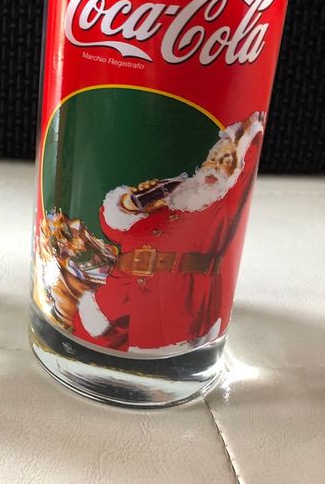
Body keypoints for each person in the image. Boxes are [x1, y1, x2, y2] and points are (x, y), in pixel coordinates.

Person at [72, 112, 265, 353]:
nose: (214, 167)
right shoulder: (171, 203)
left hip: (175, 299)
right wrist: (130, 204)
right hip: (119, 290)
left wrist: (246, 133)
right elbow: (117, 232)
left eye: (226, 162)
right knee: (86, 335)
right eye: (212, 159)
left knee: (151, 353)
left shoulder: (221, 209)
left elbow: (250, 157)